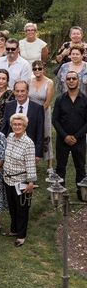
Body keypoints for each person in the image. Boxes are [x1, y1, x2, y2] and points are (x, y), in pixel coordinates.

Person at [3, 113, 37, 247]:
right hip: (8, 180)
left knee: (22, 209)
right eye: (14, 124)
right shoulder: (10, 137)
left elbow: (30, 163)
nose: (17, 126)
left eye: (20, 124)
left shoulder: (28, 143)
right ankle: (14, 229)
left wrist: (31, 182)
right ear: (11, 125)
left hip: (21, 181)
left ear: (25, 126)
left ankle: (21, 235)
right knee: (12, 207)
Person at [52, 71, 87, 200]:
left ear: (78, 81)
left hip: (80, 139)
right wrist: (65, 136)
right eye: (69, 79)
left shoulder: (85, 99)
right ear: (65, 81)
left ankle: (82, 193)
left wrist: (76, 137)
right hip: (62, 140)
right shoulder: (60, 99)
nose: (71, 80)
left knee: (80, 166)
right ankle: (59, 193)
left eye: (73, 78)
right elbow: (55, 120)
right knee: (60, 167)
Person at [0, 80, 45, 160]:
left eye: (22, 91)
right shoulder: (9, 105)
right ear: (14, 92)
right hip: (11, 147)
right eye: (17, 91)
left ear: (27, 91)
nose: (20, 94)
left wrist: (38, 154)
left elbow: (40, 131)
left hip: (29, 148)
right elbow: (5, 127)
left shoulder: (37, 108)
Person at [29, 60, 54, 167]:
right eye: (35, 69)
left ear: (43, 69)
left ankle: (50, 165)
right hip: (30, 113)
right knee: (32, 135)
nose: (37, 70)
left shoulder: (49, 82)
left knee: (46, 135)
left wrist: (38, 114)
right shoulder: (29, 81)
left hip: (44, 112)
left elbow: (47, 102)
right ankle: (32, 162)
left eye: (40, 68)